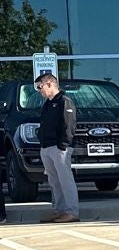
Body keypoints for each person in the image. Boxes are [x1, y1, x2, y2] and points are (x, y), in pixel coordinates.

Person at [34, 72, 78, 224]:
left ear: (49, 84)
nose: (39, 90)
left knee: (65, 180)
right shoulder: (47, 104)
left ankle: (71, 211)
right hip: (46, 147)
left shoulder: (64, 102)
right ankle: (59, 210)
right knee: (54, 181)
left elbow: (69, 125)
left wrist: (63, 146)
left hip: (59, 148)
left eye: (40, 87)